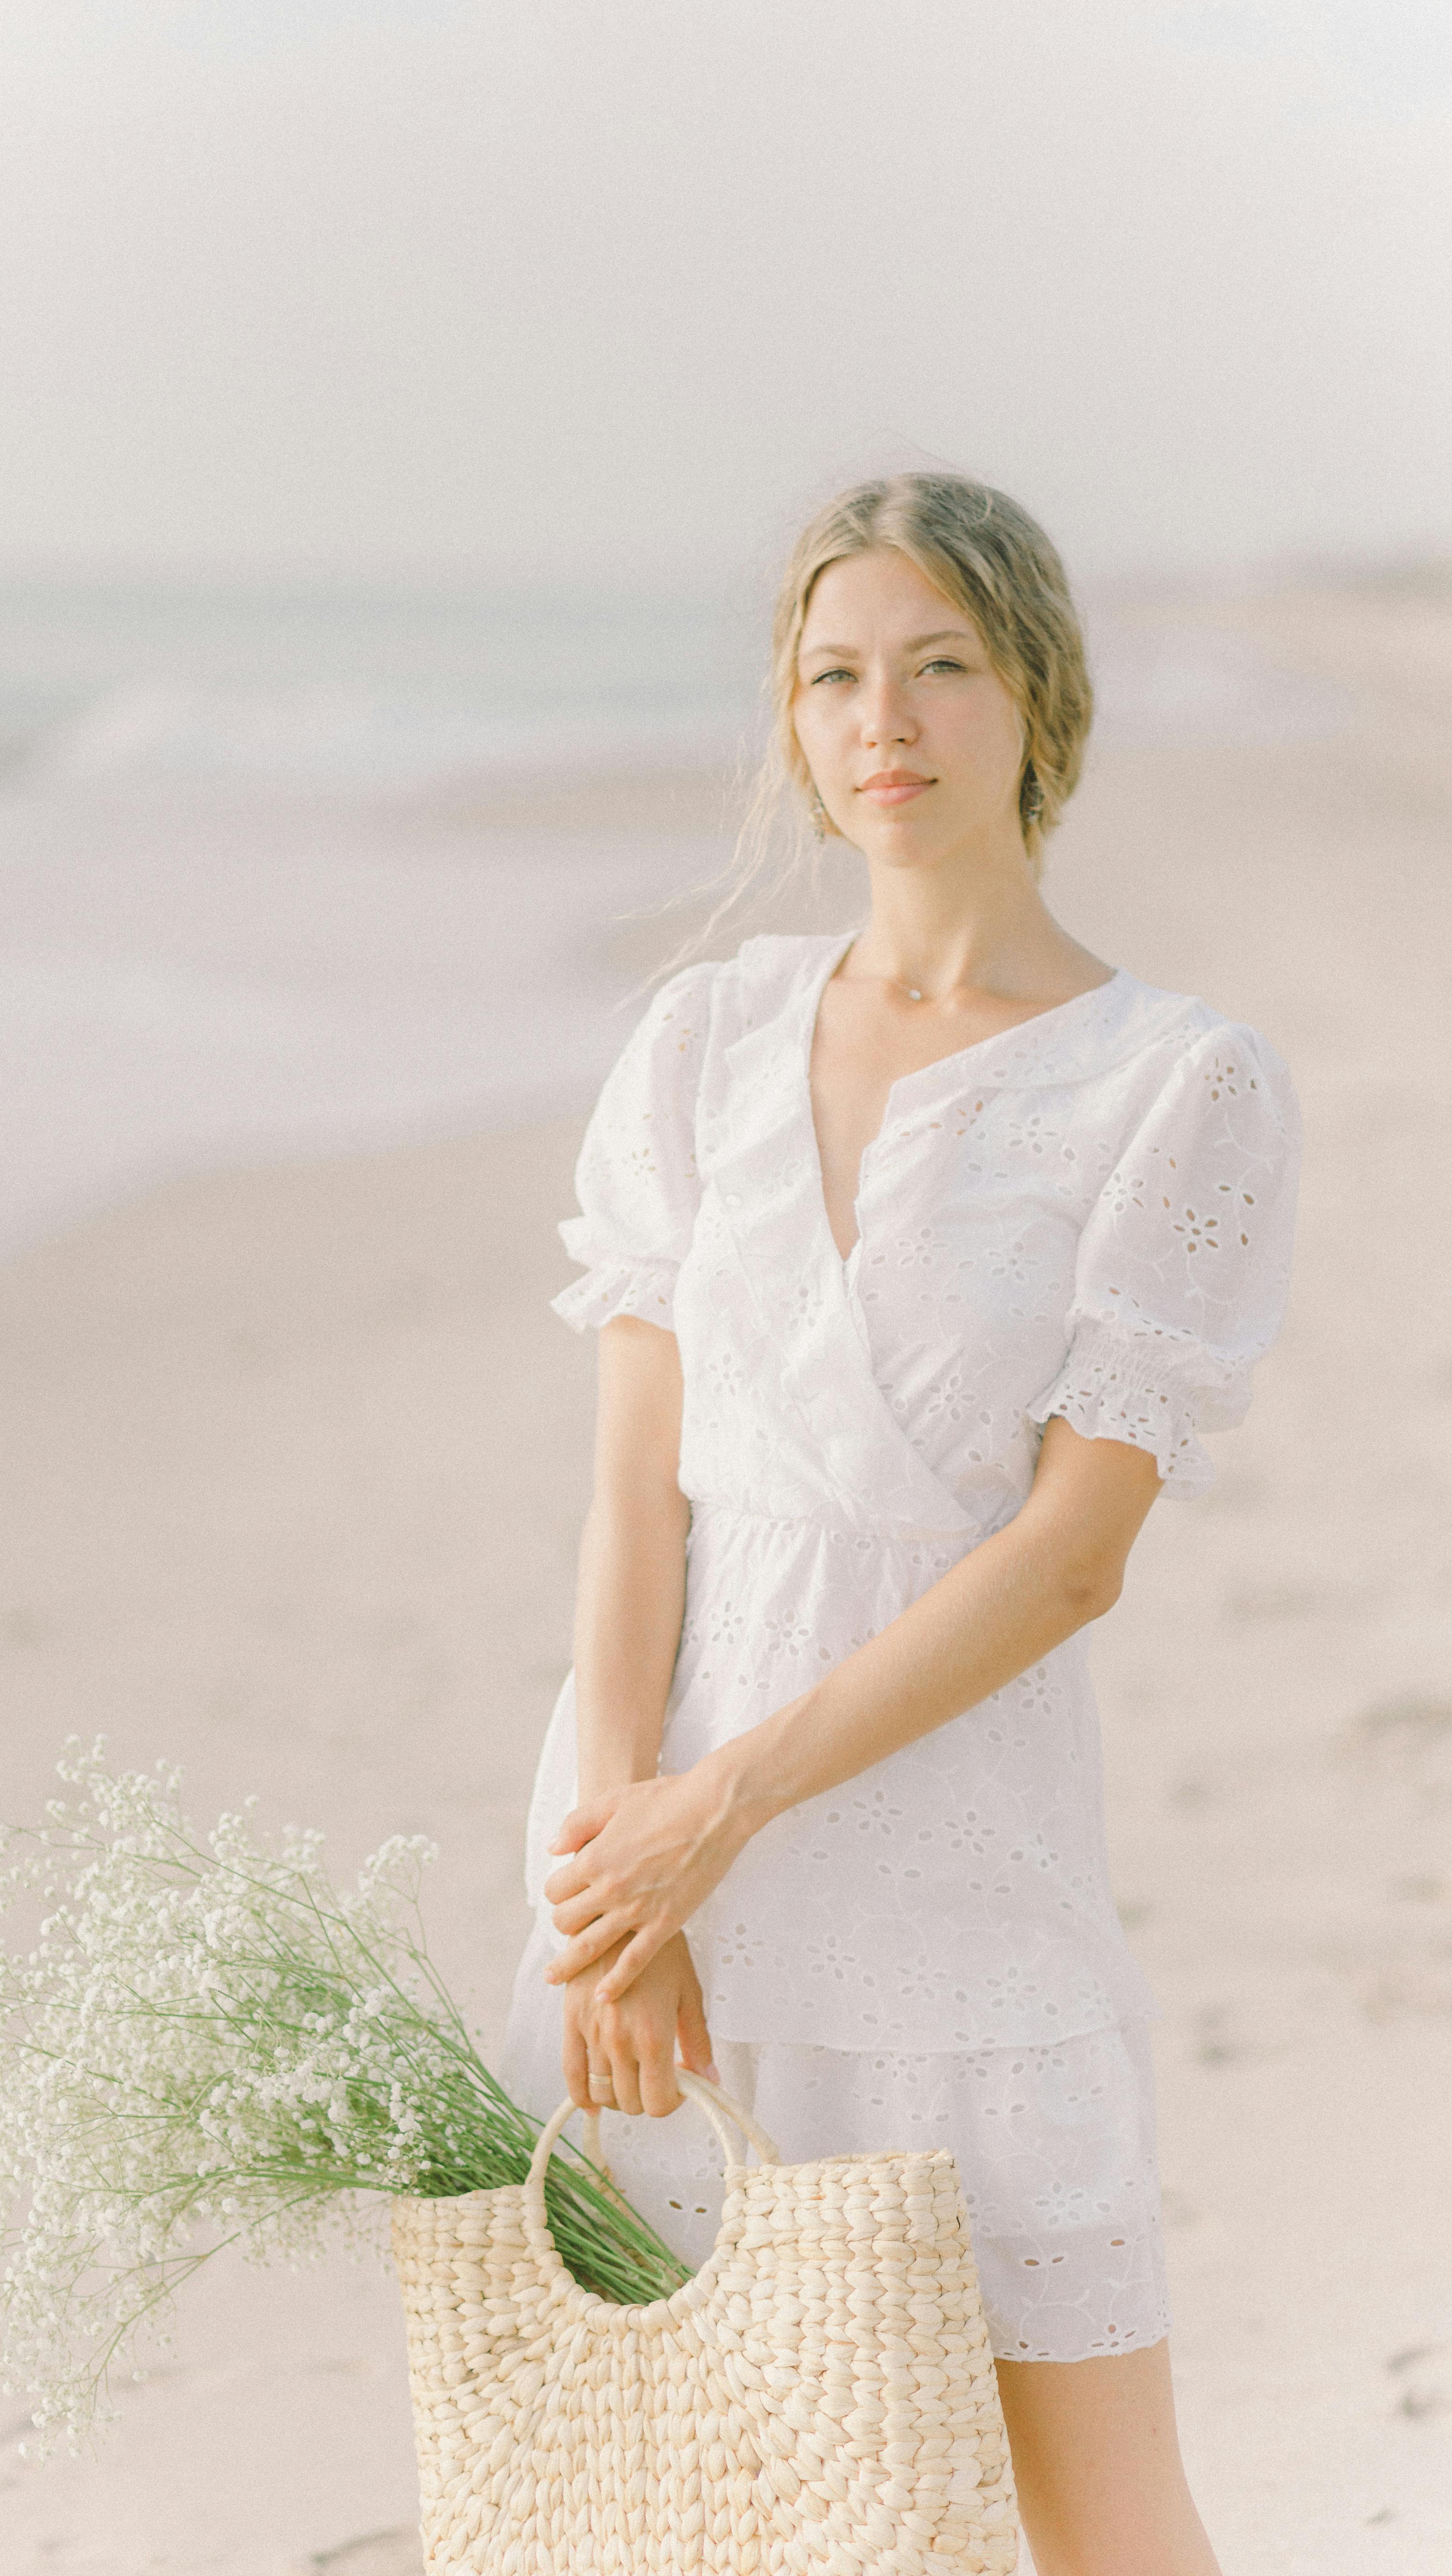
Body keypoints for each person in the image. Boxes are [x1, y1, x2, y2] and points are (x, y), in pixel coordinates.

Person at [497, 473, 1300, 2575]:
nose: (890, 721)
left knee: (1101, 2515)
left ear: (1039, 692)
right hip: (657, 1876)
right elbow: (630, 1490)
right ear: (793, 720)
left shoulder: (1176, 1087)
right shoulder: (700, 1041)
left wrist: (722, 1807)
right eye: (838, 674)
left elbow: (1070, 1556)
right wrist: (622, 1858)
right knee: (702, 2509)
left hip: (955, 1885)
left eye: (943, 663)